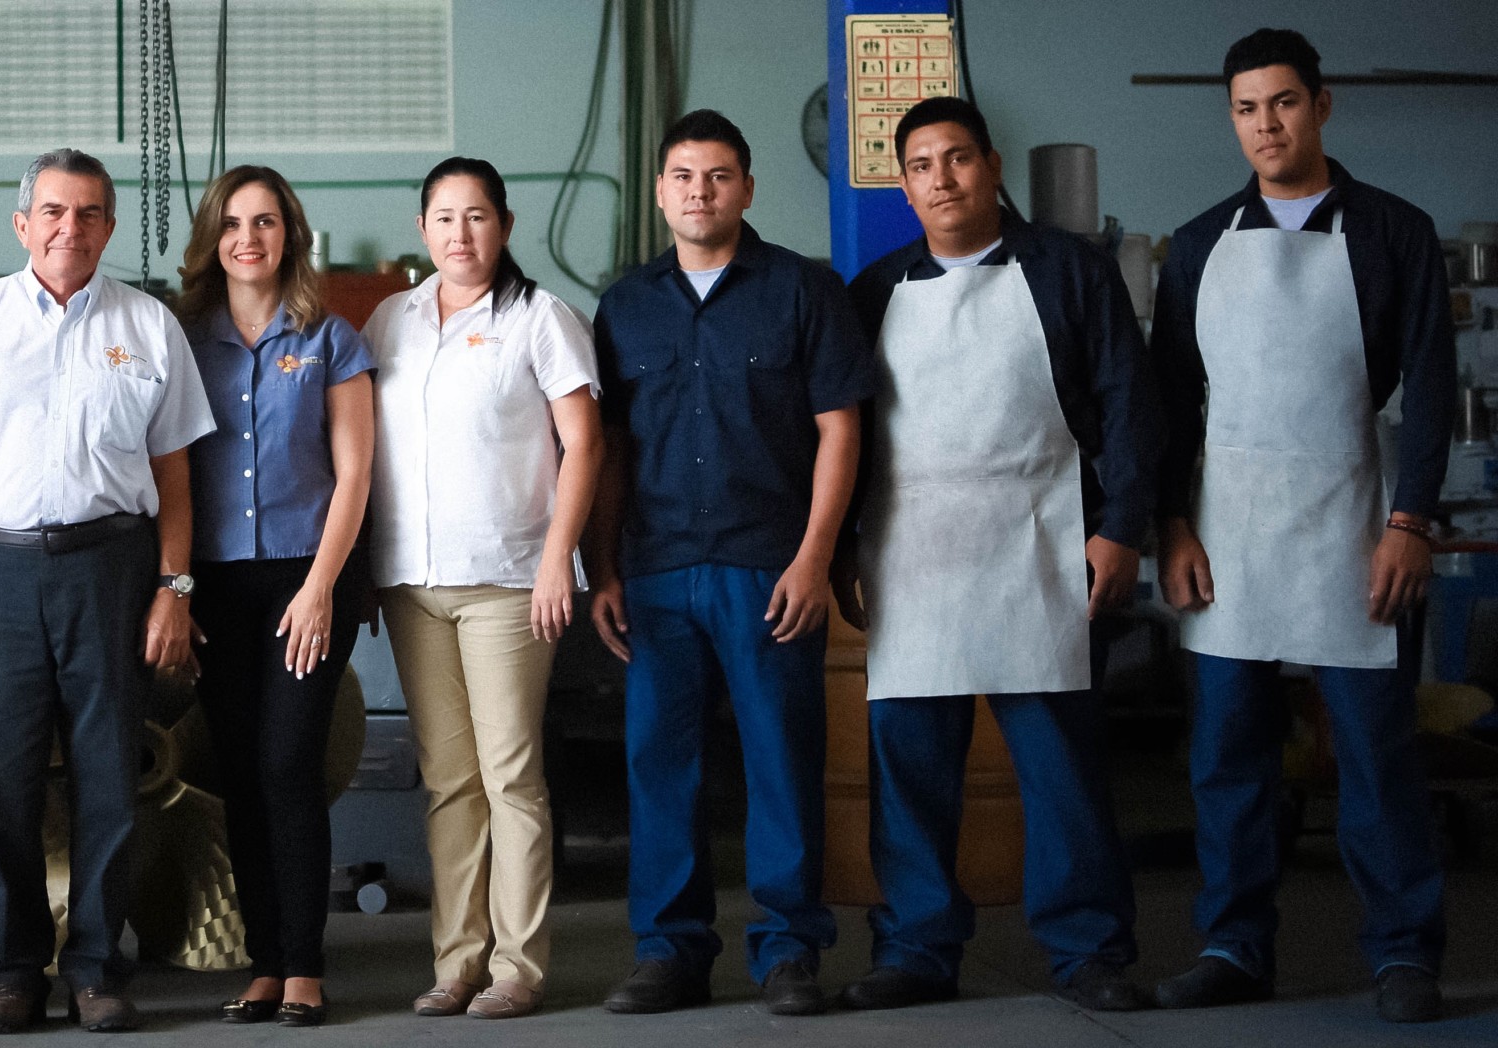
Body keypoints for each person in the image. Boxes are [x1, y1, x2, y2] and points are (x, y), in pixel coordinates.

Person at [1149, 28, 1452, 1024]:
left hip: (1354, 523)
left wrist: (1409, 520)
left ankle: (1403, 951)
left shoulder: (1394, 231)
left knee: (1372, 751)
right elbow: (1167, 401)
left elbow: (1433, 385)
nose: (1265, 125)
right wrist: (1171, 524)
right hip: (1226, 532)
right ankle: (1234, 945)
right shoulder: (1198, 243)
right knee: (1226, 755)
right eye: (1246, 108)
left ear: (1321, 106)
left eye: (1282, 103)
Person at [837, 95, 1157, 1013]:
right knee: (911, 770)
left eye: (958, 158)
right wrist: (845, 547)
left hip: (1042, 547)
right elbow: (845, 433)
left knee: (1061, 770)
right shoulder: (873, 291)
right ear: (904, 188)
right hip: (912, 554)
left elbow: (1129, 402)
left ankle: (1089, 950)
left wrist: (1122, 526)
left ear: (992, 166)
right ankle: (915, 948)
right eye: (921, 166)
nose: (942, 179)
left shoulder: (1071, 272)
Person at [0, 148, 215, 1033]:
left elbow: (176, 475)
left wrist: (174, 588)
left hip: (112, 570)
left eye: (88, 213)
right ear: (22, 224)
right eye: (53, 211)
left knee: (109, 775)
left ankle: (98, 970)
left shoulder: (148, 325)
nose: (69, 227)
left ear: (108, 227)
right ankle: (11, 973)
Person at [587, 109, 869, 1018]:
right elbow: (608, 449)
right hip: (658, 571)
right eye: (682, 176)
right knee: (661, 766)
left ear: (747, 187)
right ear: (659, 192)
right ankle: (670, 953)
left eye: (717, 176)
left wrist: (815, 558)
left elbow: (840, 431)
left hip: (768, 567)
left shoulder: (803, 290)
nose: (699, 192)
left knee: (781, 761)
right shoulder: (625, 305)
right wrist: (603, 567)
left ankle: (788, 952)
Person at [365, 156, 601, 1022]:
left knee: (511, 775)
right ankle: (456, 962)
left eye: (477, 217)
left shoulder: (542, 319)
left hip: (509, 581)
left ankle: (517, 968)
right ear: (421, 229)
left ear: (504, 225)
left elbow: (585, 444)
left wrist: (558, 558)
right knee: (449, 781)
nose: (460, 234)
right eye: (444, 218)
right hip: (414, 582)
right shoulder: (391, 320)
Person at [174, 165, 375, 1028]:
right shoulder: (181, 340)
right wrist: (175, 590)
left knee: (290, 766)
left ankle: (304, 966)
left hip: (308, 577)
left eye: (264, 221)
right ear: (211, 239)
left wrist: (323, 586)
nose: (247, 238)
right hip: (216, 583)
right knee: (241, 771)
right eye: (231, 223)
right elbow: (167, 469)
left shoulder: (330, 339)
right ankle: (263, 963)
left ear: (289, 233)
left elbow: (355, 472)